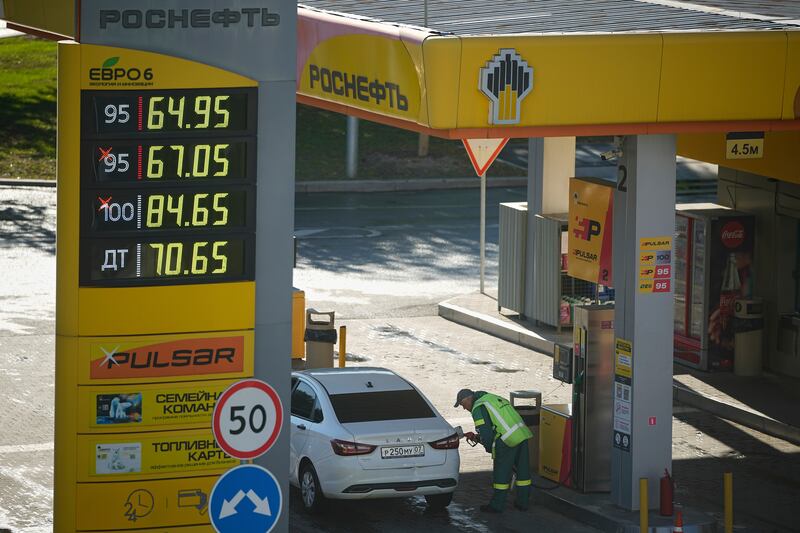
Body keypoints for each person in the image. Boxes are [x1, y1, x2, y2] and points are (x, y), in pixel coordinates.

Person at [455, 388, 533, 513]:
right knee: (523, 472)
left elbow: (487, 434)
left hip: (506, 440)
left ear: (469, 399)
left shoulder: (478, 408)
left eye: (463, 405)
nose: (464, 408)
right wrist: (476, 437)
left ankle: (497, 505)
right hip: (521, 434)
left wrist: (490, 448)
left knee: (501, 474)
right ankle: (523, 502)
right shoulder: (492, 398)